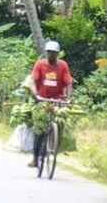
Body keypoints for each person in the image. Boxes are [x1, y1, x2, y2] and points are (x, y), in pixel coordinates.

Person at [28, 40, 72, 168]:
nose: (51, 55)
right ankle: (35, 157)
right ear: (46, 53)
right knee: (39, 128)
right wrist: (35, 94)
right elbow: (33, 81)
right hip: (42, 100)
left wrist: (68, 98)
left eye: (54, 53)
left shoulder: (63, 66)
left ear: (58, 54)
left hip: (57, 100)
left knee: (60, 122)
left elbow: (68, 83)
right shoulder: (40, 65)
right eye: (49, 53)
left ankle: (53, 143)